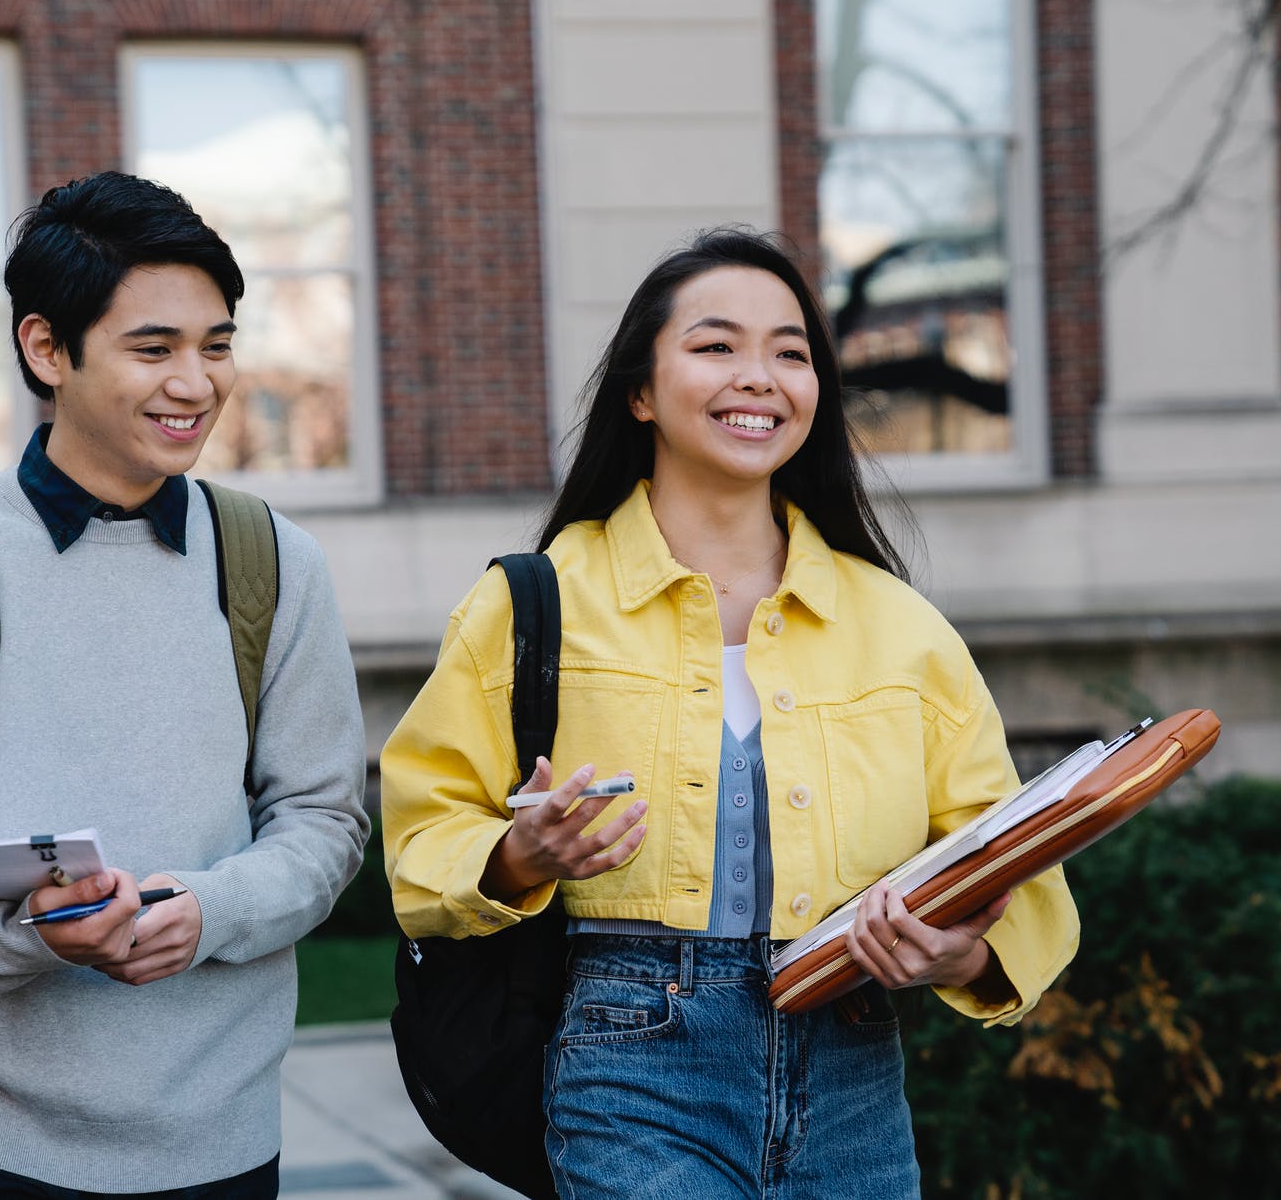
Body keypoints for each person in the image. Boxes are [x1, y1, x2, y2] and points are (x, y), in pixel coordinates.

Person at [379, 228, 1078, 1197]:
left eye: (789, 353)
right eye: (715, 346)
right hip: (630, 1066)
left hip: (854, 1070)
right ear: (639, 390)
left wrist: (961, 950)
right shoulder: (530, 604)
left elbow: (1020, 868)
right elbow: (421, 835)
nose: (759, 376)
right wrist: (517, 855)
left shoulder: (899, 627)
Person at [0, 170, 370, 1198]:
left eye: (216, 345)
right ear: (44, 348)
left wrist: (207, 908)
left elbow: (323, 820)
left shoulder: (275, 559)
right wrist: (28, 929)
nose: (196, 383)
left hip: (223, 1136)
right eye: (153, 348)